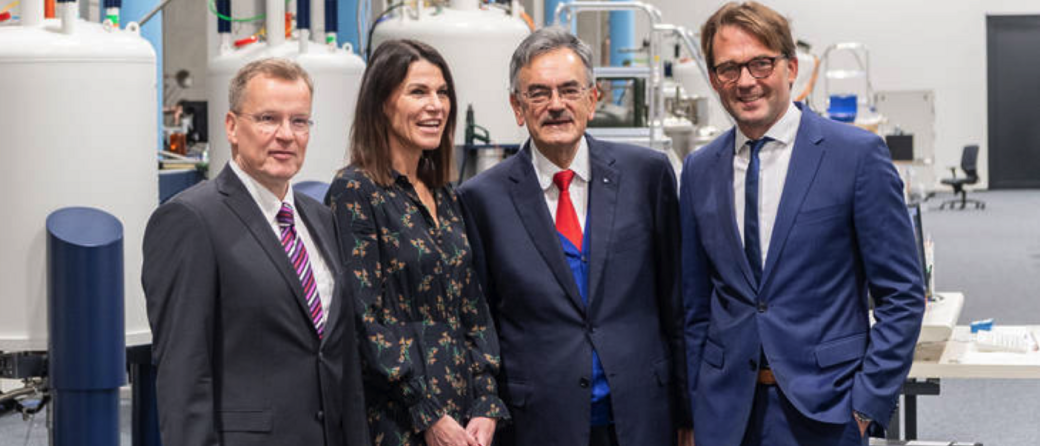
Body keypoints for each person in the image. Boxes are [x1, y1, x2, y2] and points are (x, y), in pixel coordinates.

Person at [680, 3, 926, 446]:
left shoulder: (856, 156)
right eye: (729, 69)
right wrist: (697, 401)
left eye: (761, 63)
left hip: (827, 412)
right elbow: (696, 304)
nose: (747, 80)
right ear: (715, 79)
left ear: (790, 67)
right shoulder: (699, 169)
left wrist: (866, 404)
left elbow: (903, 296)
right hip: (726, 414)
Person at [458, 27, 691, 446]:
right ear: (517, 106)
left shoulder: (647, 175)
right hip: (539, 423)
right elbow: (482, 323)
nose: (556, 105)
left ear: (593, 98)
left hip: (642, 416)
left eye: (569, 90)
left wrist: (687, 410)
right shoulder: (480, 200)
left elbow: (676, 302)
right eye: (538, 93)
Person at [141, 58, 369, 446]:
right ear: (232, 126)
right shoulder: (191, 220)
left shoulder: (321, 219)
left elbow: (339, 359)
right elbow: (184, 375)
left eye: (299, 121)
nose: (286, 134)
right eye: (268, 119)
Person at [326, 39, 507, 446]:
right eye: (418, 92)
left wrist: (485, 402)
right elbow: (364, 318)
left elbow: (471, 307)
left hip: (464, 418)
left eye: (442, 92)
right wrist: (427, 414)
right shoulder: (356, 191)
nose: (436, 105)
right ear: (381, 103)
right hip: (398, 423)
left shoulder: (446, 195)